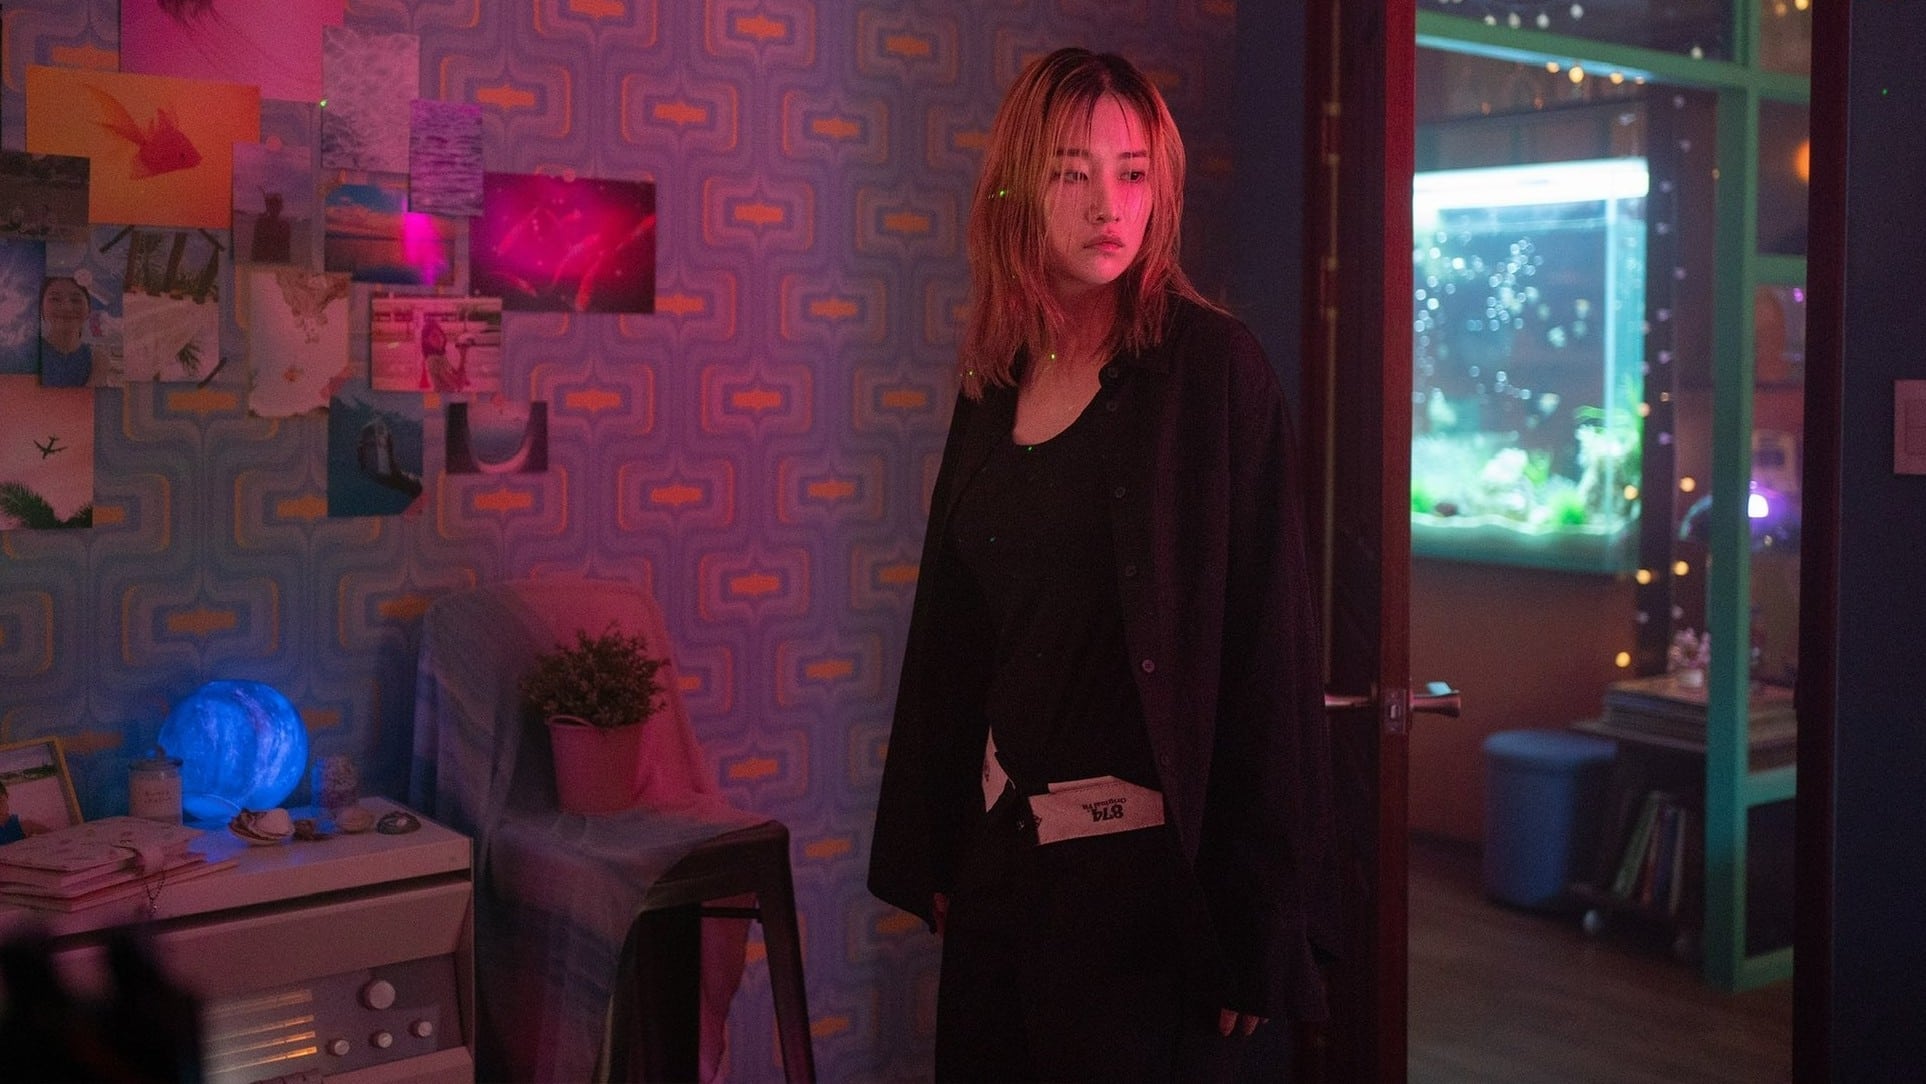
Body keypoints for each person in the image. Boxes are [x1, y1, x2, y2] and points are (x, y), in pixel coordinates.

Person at [868, 47, 1338, 1082]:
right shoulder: (998, 376)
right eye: (1072, 173)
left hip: (1144, 898)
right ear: (1019, 188)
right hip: (1000, 863)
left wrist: (1260, 920)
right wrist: (934, 838)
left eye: (1133, 173)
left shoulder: (1216, 372)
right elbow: (955, 631)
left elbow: (1269, 654)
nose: (1107, 205)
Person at [37, 276, 93, 387]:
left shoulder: (96, 359)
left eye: (76, 300)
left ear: (89, 310)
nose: (66, 307)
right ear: (41, 308)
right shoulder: (30, 354)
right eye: (55, 299)